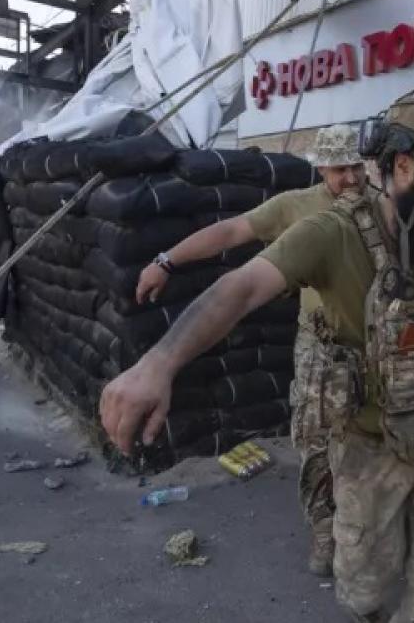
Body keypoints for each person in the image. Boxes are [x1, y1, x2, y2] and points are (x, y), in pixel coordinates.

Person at [99, 86, 414, 623]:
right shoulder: (331, 231)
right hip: (371, 443)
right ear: (403, 166)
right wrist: (159, 362)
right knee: (364, 582)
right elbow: (242, 286)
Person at [133, 124, 366, 578]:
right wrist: (166, 260)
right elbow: (231, 231)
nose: (352, 178)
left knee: (371, 447)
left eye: (357, 166)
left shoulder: (383, 208)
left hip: (377, 346)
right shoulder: (296, 207)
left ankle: (367, 532)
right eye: (340, 169)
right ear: (321, 169)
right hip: (322, 352)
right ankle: (325, 531)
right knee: (317, 446)